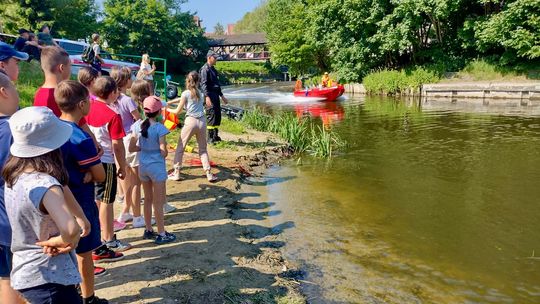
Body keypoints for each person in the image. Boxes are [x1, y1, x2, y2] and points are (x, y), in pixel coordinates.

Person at [3, 106, 81, 303]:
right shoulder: (46, 184)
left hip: (25, 270)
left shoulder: (13, 177)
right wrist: (62, 239)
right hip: (50, 275)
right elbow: (70, 228)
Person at [56, 80, 110, 304]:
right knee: (84, 253)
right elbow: (100, 176)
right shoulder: (80, 138)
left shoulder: (53, 128)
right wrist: (89, 172)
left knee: (63, 250)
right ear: (81, 104)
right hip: (80, 200)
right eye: (88, 100)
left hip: (56, 201)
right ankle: (88, 297)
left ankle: (71, 293)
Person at [86, 76, 132, 253]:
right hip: (106, 161)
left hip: (90, 161)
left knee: (97, 199)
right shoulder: (113, 115)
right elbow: (117, 145)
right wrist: (121, 165)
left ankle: (98, 235)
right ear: (113, 93)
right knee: (107, 201)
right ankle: (109, 239)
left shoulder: (87, 109)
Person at [33, 46, 101, 153]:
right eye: (70, 65)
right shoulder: (65, 94)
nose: (70, 68)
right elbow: (81, 124)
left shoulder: (38, 94)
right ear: (62, 68)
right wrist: (95, 144)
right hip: (66, 152)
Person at [129, 96, 176, 245]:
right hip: (156, 167)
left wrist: (143, 148)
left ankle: (148, 229)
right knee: (158, 201)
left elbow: (131, 148)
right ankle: (162, 232)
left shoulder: (137, 126)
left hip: (143, 166)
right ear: (159, 112)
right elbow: (163, 151)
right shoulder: (160, 128)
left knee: (147, 199)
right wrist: (163, 151)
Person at [0, 72, 25, 304]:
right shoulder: (12, 130)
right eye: (14, 88)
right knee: (17, 280)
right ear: (3, 92)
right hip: (9, 221)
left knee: (5, 278)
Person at [167, 71, 217, 183]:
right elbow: (186, 98)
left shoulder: (186, 93)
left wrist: (166, 108)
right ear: (198, 81)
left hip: (190, 122)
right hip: (202, 122)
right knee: (203, 149)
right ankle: (209, 173)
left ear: (187, 81)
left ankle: (177, 172)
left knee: (181, 147)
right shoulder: (200, 93)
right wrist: (170, 102)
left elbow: (177, 111)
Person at [110, 67, 143, 226]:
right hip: (130, 139)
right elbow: (138, 121)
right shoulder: (127, 100)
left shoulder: (112, 99)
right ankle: (137, 216)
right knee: (136, 181)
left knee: (127, 180)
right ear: (125, 81)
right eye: (130, 78)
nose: (132, 80)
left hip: (117, 141)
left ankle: (125, 212)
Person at [200, 50, 228, 144]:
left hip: (215, 95)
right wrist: (206, 96)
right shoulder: (205, 69)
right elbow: (203, 85)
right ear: (209, 58)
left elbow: (217, 85)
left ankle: (215, 136)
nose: (216, 59)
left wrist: (222, 96)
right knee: (211, 115)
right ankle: (210, 138)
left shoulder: (214, 70)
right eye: (214, 58)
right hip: (209, 95)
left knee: (217, 115)